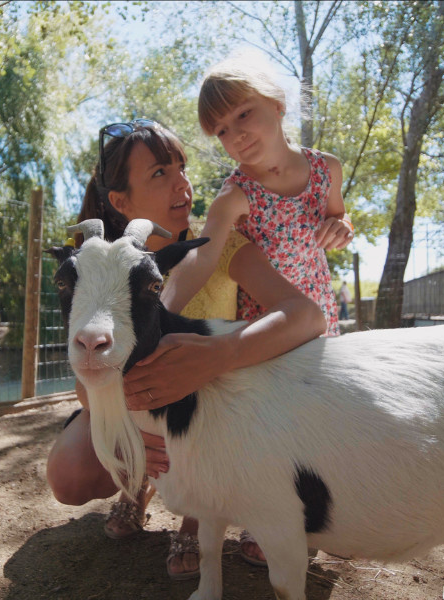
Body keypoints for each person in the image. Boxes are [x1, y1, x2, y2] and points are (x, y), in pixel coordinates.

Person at [46, 120, 327, 580]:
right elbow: (85, 374)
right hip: (135, 404)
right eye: (159, 173)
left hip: (211, 409)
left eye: (182, 166)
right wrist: (127, 425)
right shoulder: (102, 262)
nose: (182, 182)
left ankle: (196, 517)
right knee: (70, 473)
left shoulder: (223, 248)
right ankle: (139, 481)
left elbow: (308, 316)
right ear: (120, 201)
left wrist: (222, 354)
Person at [160, 57, 352, 337]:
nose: (236, 134)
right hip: (267, 325)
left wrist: (343, 227)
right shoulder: (236, 196)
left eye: (243, 114)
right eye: (222, 130)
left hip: (320, 307)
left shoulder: (327, 169)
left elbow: (339, 215)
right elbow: (202, 257)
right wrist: (159, 317)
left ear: (277, 104)